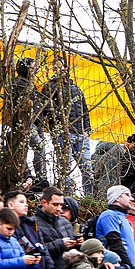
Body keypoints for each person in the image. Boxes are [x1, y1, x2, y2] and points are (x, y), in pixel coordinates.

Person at [42, 58, 93, 194]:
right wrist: (58, 124)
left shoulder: (75, 88)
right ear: (54, 70)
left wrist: (87, 129)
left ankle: (90, 196)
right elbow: (46, 109)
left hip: (80, 132)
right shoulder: (50, 87)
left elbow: (85, 110)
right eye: (58, 67)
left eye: (64, 66)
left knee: (87, 168)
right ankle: (68, 196)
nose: (62, 69)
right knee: (65, 168)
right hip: (63, 134)